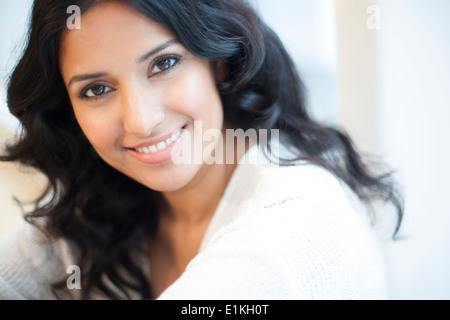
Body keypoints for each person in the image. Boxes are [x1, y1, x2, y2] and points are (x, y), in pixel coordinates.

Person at [0, 0, 403, 300]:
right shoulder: (93, 213)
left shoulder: (301, 220)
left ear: (218, 61)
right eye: (97, 89)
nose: (141, 120)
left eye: (164, 64)